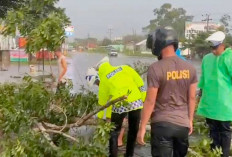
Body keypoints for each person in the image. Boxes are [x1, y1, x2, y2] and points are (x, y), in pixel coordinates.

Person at [137, 27, 198, 157]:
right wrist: (190, 120)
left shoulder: (155, 68)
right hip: (183, 125)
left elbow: (150, 101)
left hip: (162, 125)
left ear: (158, 44)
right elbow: (192, 98)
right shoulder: (191, 68)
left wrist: (142, 127)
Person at [85, 57, 146, 157]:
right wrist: (143, 97)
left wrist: (101, 118)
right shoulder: (125, 68)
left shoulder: (104, 79)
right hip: (136, 102)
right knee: (133, 131)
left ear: (99, 74)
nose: (97, 84)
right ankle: (129, 155)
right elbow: (139, 82)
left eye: (96, 82)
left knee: (113, 132)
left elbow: (103, 103)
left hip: (120, 104)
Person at [197, 31, 232, 157]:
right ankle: (214, 153)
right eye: (211, 47)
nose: (213, 50)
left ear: (223, 45)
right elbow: (203, 79)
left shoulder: (229, 57)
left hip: (224, 102)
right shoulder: (207, 59)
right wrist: (199, 94)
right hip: (210, 102)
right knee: (213, 130)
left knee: (224, 130)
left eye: (215, 47)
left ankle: (225, 154)